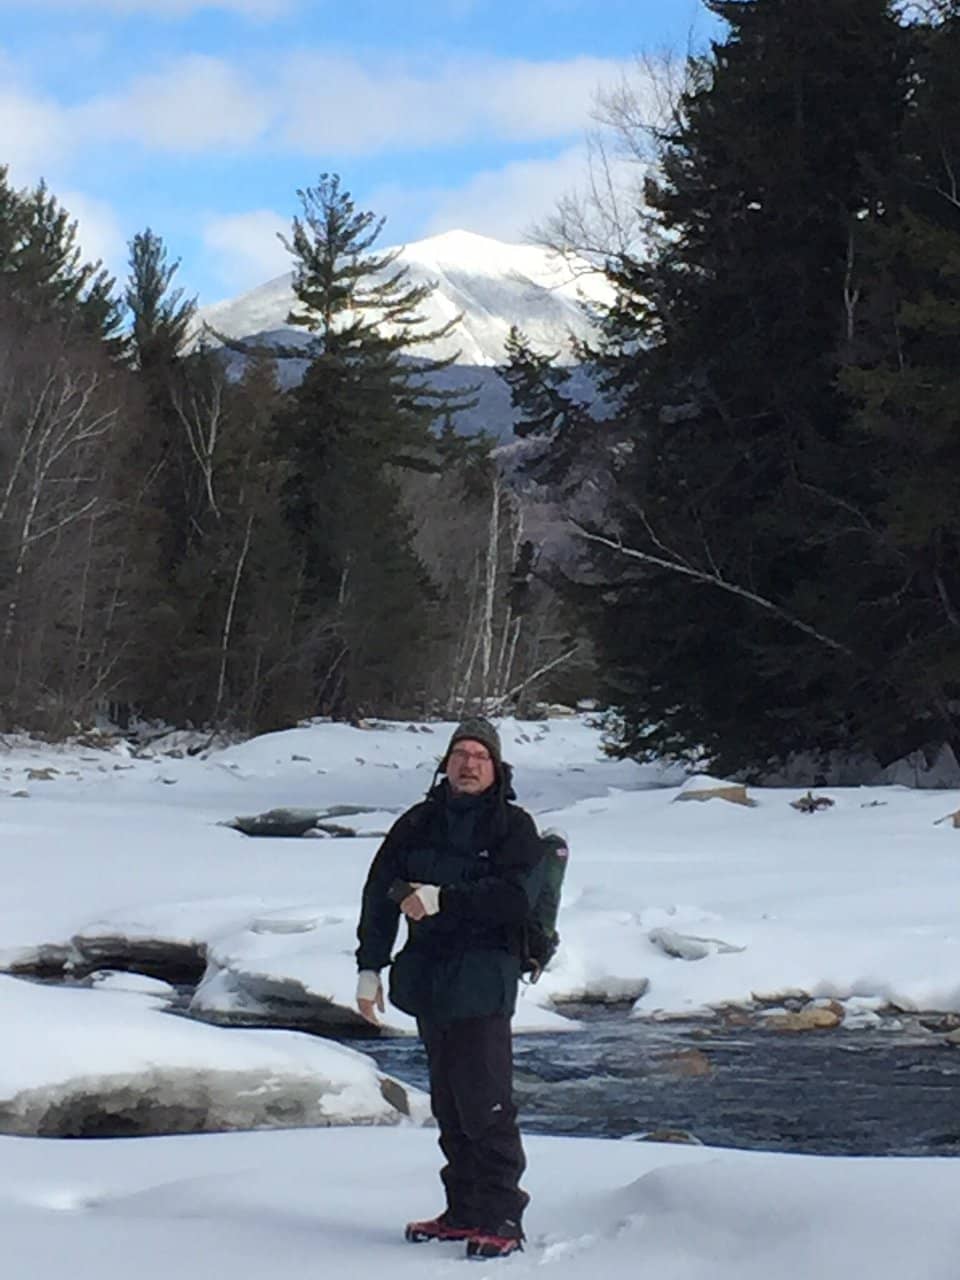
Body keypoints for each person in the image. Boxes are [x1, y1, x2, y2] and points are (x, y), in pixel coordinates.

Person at [355, 716, 545, 1260]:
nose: (467, 764)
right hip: (428, 975)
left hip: (484, 976)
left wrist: (443, 899)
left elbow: (515, 899)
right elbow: (379, 892)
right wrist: (370, 966)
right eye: (460, 753)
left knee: (486, 1104)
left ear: (496, 767)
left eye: (479, 756)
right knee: (449, 1102)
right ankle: (462, 1211)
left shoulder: (513, 828)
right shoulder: (418, 822)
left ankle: (502, 1216)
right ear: (446, 762)